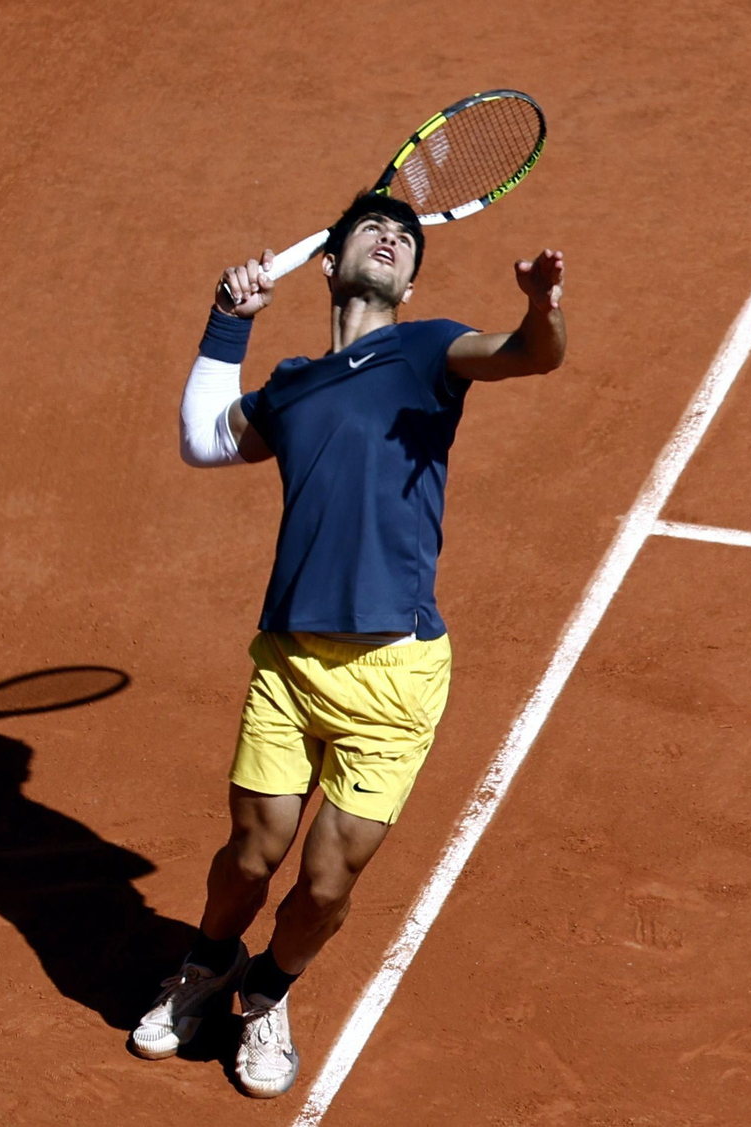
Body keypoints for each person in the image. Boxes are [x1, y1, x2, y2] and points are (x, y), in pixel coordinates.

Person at [133, 191, 566, 1098]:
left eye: (407, 239)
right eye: (374, 229)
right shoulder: (290, 385)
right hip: (290, 662)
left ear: (411, 278)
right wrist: (227, 320)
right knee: (252, 853)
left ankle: (268, 993)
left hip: (395, 672)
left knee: (326, 883)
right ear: (330, 263)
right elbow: (203, 441)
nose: (393, 238)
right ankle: (208, 965)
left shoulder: (424, 351)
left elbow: (530, 356)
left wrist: (540, 306)